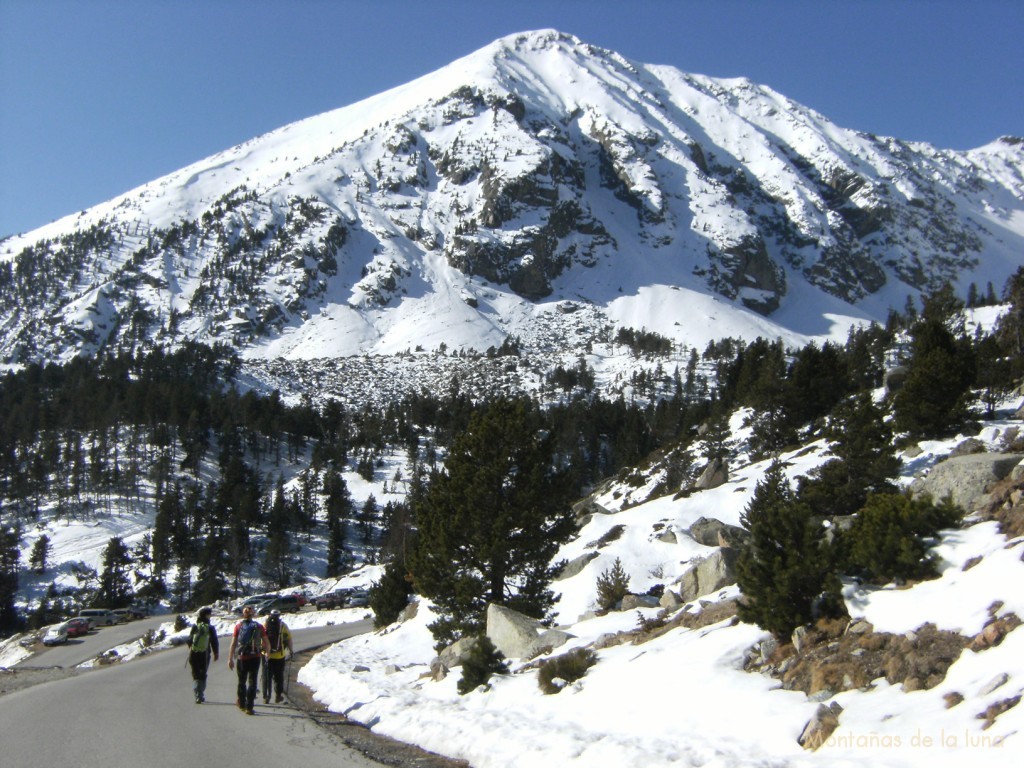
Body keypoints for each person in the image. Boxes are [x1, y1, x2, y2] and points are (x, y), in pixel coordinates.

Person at [227, 605, 269, 715]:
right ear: (253, 615)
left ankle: (241, 703)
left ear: (243, 614)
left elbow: (233, 644)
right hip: (255, 657)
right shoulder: (259, 626)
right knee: (252, 681)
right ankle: (249, 707)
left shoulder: (238, 626)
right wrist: (267, 653)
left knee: (242, 681)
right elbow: (266, 642)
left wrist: (230, 659)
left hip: (242, 657)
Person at [187, 606, 219, 704]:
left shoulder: (195, 626)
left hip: (194, 653)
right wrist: (216, 652)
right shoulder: (210, 628)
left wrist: (192, 647)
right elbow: (214, 641)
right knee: (203, 673)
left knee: (195, 674)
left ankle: (197, 695)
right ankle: (201, 693)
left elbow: (189, 640)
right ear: (207, 616)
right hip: (205, 654)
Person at [262, 609, 294, 703]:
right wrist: (291, 650)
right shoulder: (282, 626)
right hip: (279, 655)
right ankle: (278, 696)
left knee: (266, 676)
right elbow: (289, 639)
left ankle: (266, 697)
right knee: (278, 677)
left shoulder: (265, 625)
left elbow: (261, 638)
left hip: (267, 655)